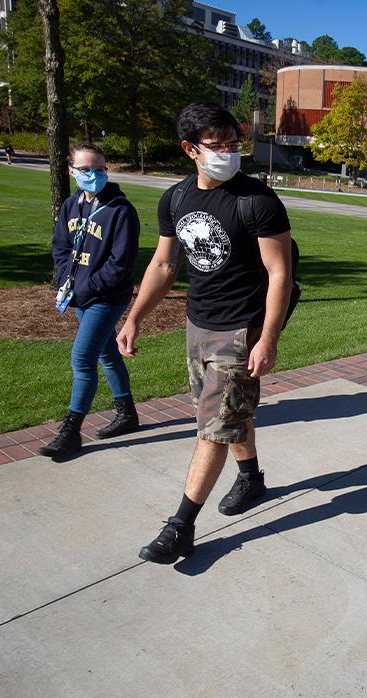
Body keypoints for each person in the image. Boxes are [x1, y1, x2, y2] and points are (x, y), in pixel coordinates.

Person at [122, 102, 293, 564]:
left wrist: (268, 338)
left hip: (239, 331)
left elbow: (280, 273)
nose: (229, 153)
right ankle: (252, 477)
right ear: (189, 149)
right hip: (198, 326)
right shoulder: (176, 198)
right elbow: (163, 265)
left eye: (234, 144)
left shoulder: (257, 200)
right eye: (217, 146)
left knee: (214, 428)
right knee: (228, 414)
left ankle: (181, 526)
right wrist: (135, 317)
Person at [40, 143, 141, 458]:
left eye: (99, 168)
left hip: (107, 297)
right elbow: (61, 247)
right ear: (71, 171)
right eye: (85, 169)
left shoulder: (120, 210)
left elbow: (120, 263)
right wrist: (63, 280)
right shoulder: (71, 205)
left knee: (82, 358)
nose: (93, 175)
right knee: (106, 354)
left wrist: (87, 288)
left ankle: (71, 432)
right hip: (81, 295)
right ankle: (127, 413)